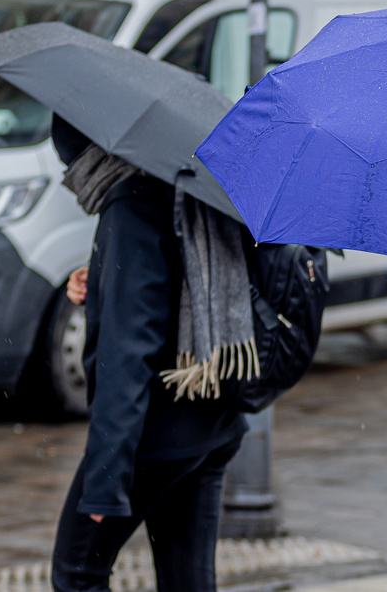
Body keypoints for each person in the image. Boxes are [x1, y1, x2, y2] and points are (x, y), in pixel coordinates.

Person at [50, 119, 247, 592]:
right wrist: (99, 277)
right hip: (213, 417)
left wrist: (104, 479)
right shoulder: (183, 180)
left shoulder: (130, 202)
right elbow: (175, 280)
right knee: (188, 582)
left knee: (77, 574)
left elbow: (126, 354)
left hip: (156, 431)